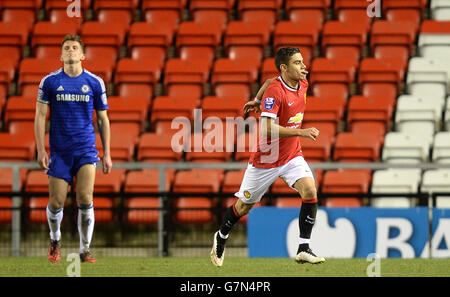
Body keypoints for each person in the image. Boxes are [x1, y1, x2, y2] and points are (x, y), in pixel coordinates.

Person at [210, 47, 325, 266]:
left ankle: (303, 247)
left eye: (302, 62)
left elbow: (269, 80)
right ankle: (221, 235)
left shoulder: (301, 83)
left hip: (291, 155)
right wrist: (301, 131)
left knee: (310, 190)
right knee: (243, 206)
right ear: (285, 67)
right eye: (297, 63)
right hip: (266, 159)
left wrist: (256, 99)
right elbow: (267, 128)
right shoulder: (276, 91)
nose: (304, 67)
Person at [34, 34, 112, 263]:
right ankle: (55, 239)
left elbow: (103, 119)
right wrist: (41, 149)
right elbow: (40, 116)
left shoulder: (95, 82)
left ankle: (84, 250)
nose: (70, 51)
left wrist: (106, 153)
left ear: (82, 55)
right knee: (57, 201)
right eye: (66, 47)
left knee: (85, 198)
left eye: (74, 47)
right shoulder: (49, 82)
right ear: (60, 55)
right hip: (59, 150)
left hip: (86, 149)